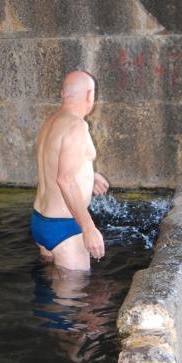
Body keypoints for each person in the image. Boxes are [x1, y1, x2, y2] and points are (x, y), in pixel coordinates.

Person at [30, 70, 109, 271]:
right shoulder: (77, 126)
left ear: (63, 93)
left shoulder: (50, 122)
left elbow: (54, 163)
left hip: (40, 220)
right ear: (90, 95)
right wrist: (89, 228)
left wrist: (90, 175)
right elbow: (65, 179)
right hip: (64, 227)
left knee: (50, 292)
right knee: (73, 297)